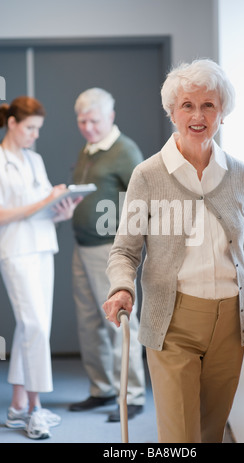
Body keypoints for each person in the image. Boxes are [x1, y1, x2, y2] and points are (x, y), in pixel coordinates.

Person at [103, 59, 244, 443]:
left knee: (211, 433)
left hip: (230, 324)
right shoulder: (148, 175)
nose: (198, 115)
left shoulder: (240, 174)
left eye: (208, 105)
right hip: (173, 322)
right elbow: (124, 252)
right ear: (172, 112)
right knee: (181, 439)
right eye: (187, 105)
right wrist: (121, 287)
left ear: (222, 113)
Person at [0, 96, 79, 440]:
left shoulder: (35, 160)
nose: (34, 135)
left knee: (32, 327)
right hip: (16, 251)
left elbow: (44, 205)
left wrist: (61, 208)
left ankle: (17, 407)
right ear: (12, 124)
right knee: (34, 326)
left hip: (43, 246)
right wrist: (43, 202)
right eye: (30, 128)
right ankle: (35, 409)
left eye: (38, 130)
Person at [69, 88, 145, 421]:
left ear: (110, 117)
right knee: (89, 325)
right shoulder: (89, 149)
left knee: (119, 323)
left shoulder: (125, 151)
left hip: (109, 249)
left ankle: (133, 395)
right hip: (82, 246)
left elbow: (144, 200)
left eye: (94, 121)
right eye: (82, 121)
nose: (87, 127)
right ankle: (102, 390)